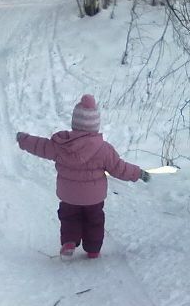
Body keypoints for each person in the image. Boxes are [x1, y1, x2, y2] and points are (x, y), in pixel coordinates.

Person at [16, 94, 150, 259]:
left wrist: (24, 139)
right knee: (95, 221)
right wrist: (139, 173)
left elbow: (40, 146)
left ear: (75, 123)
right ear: (95, 125)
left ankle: (69, 242)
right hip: (94, 198)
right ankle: (93, 250)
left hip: (69, 196)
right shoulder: (104, 149)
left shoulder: (61, 145)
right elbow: (119, 168)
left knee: (69, 218)